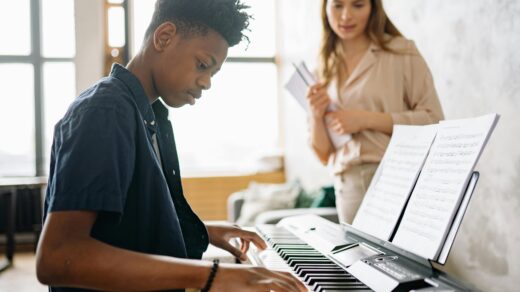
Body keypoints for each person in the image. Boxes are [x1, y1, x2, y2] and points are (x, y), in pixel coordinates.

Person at [35, 0, 306, 291]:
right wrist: (214, 274)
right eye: (203, 65)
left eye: (213, 74)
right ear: (164, 37)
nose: (206, 83)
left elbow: (129, 227)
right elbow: (58, 256)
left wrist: (205, 232)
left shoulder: (153, 117)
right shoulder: (106, 111)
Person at [307, 0, 444, 224]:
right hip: (349, 187)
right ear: (325, 8)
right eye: (338, 6)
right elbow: (324, 154)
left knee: (405, 259)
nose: (346, 16)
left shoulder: (402, 52)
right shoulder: (322, 68)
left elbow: (434, 120)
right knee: (357, 258)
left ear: (373, 8)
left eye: (358, 5)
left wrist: (366, 120)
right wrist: (315, 115)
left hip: (398, 178)